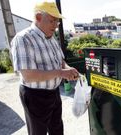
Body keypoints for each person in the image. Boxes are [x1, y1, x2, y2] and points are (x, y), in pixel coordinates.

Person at [11, 1, 79, 135]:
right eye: (52, 21)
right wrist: (61, 73)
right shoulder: (23, 39)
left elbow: (61, 62)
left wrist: (69, 69)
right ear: (38, 17)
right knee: (38, 132)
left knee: (57, 129)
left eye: (57, 22)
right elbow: (29, 76)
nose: (55, 25)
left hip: (53, 93)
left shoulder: (51, 38)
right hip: (35, 95)